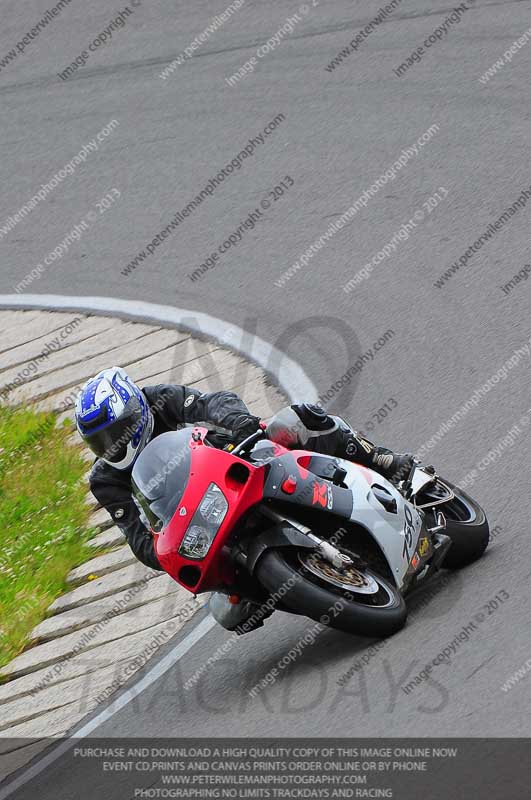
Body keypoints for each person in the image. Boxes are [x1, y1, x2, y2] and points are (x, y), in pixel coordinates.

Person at [76, 367, 413, 627]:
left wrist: (241, 425)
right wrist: (166, 550)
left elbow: (215, 402)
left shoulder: (160, 400)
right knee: (228, 613)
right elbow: (137, 539)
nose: (112, 445)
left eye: (116, 432)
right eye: (100, 441)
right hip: (200, 523)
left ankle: (383, 460)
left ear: (137, 410)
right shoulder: (106, 479)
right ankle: (303, 583)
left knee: (297, 422)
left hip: (239, 460)